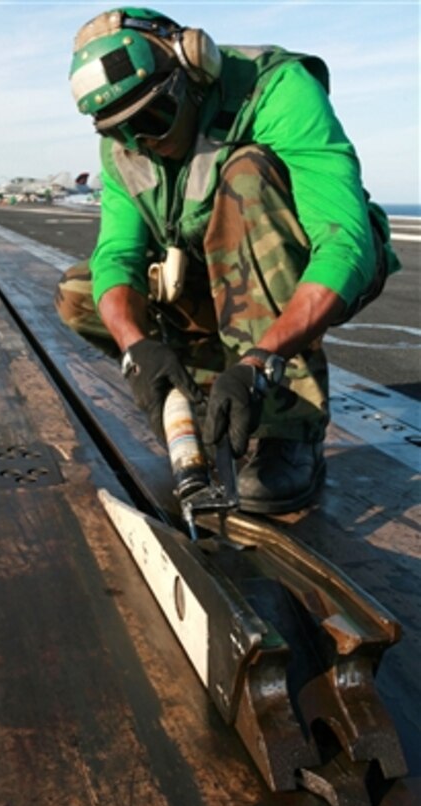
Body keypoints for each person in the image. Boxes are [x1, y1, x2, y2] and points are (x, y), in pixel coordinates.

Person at [55, 7, 400, 514]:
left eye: (151, 119)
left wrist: (263, 360)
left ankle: (289, 428)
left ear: (192, 73)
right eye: (119, 131)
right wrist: (138, 352)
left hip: (311, 264)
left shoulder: (278, 89)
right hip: (213, 275)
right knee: (82, 294)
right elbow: (118, 257)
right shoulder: (127, 150)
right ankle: (206, 384)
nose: (141, 142)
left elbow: (345, 244)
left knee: (247, 175)